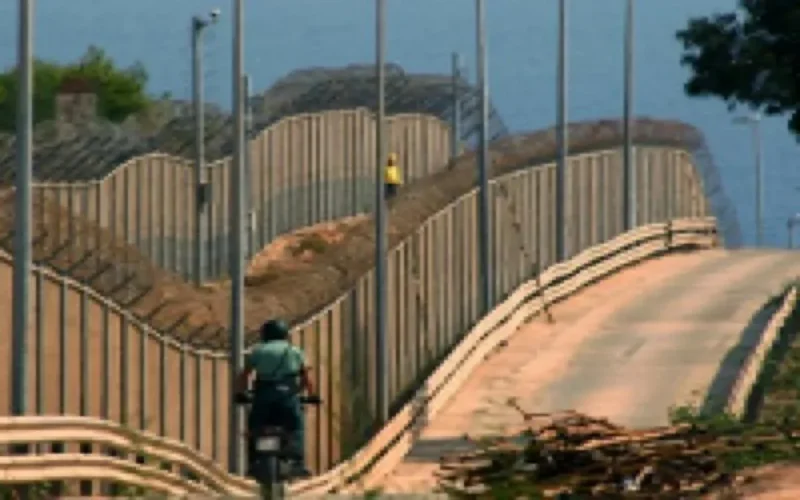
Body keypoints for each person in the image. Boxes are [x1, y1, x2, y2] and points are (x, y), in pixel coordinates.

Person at [235, 319, 315, 478]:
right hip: (288, 397)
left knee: (255, 427)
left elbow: (245, 375)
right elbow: (306, 378)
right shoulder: (294, 351)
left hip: (263, 396)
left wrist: (241, 393)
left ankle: (254, 461)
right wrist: (312, 396)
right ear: (285, 334)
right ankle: (297, 462)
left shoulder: (258, 351)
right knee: (296, 427)